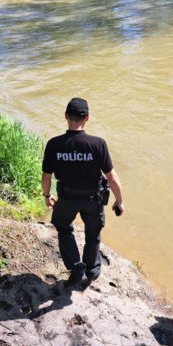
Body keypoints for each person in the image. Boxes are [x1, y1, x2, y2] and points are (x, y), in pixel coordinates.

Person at [41, 97, 124, 288]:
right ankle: (91, 271)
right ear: (87, 118)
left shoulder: (54, 144)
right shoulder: (97, 144)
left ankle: (75, 266)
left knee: (63, 228)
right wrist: (119, 201)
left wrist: (47, 196)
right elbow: (112, 177)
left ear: (65, 116)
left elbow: (46, 177)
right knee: (93, 233)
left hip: (67, 198)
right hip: (93, 200)